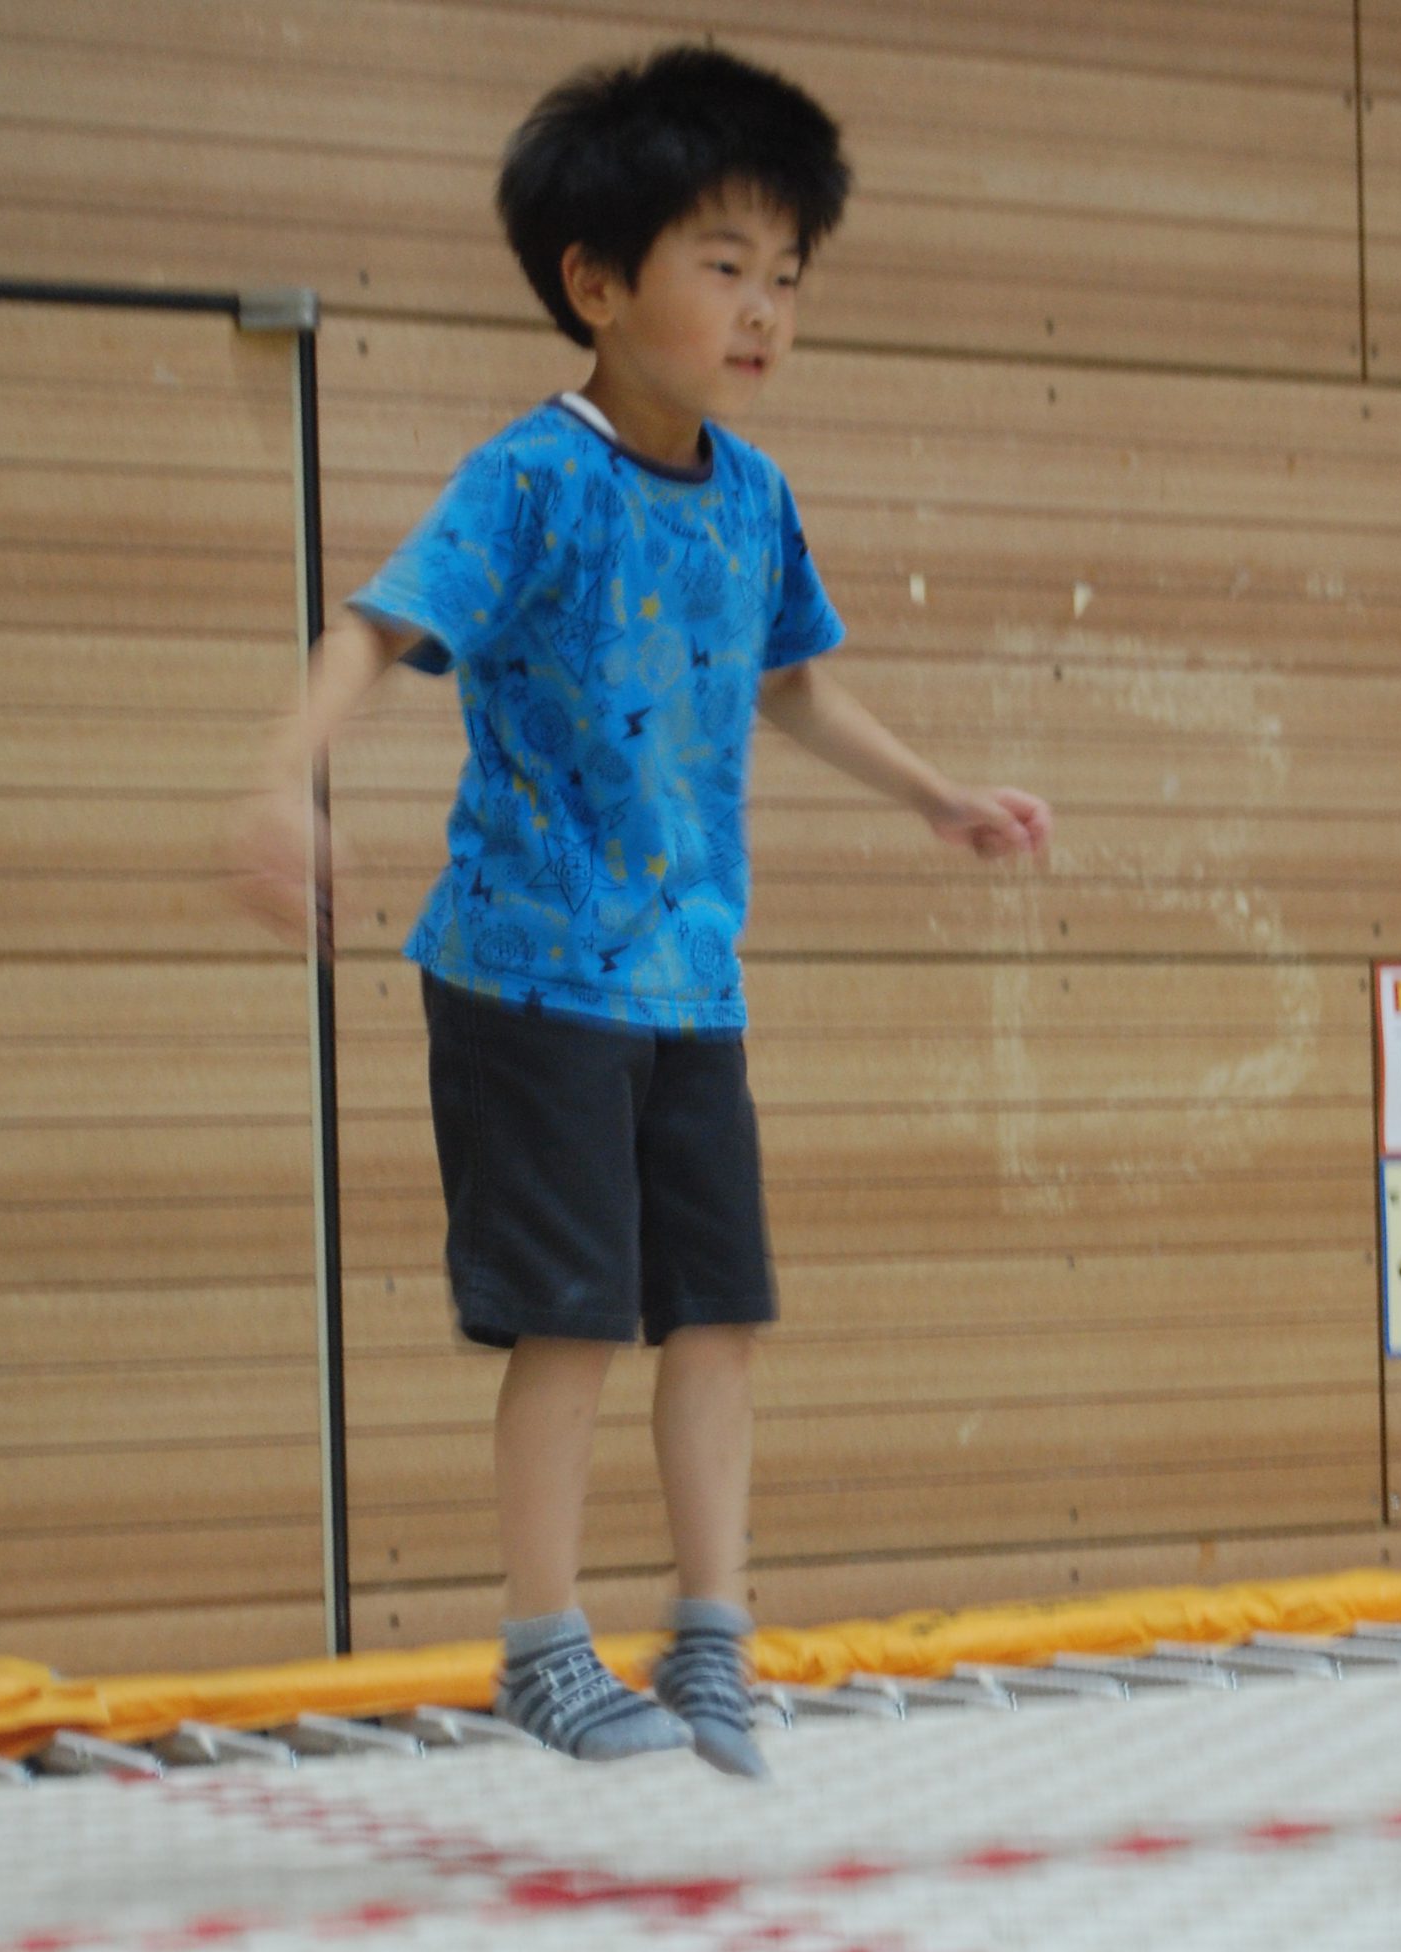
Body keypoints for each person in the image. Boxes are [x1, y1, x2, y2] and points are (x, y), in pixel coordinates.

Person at [231, 42, 1052, 1779]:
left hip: (689, 981)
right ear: (595, 284)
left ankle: (710, 1640)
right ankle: (542, 1646)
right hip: (529, 976)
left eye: (787, 277)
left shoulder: (751, 494)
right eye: (723, 265)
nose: (763, 311)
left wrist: (935, 797)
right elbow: (380, 623)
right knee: (573, 1319)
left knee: (720, 1311)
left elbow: (793, 681)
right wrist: (281, 777)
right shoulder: (533, 476)